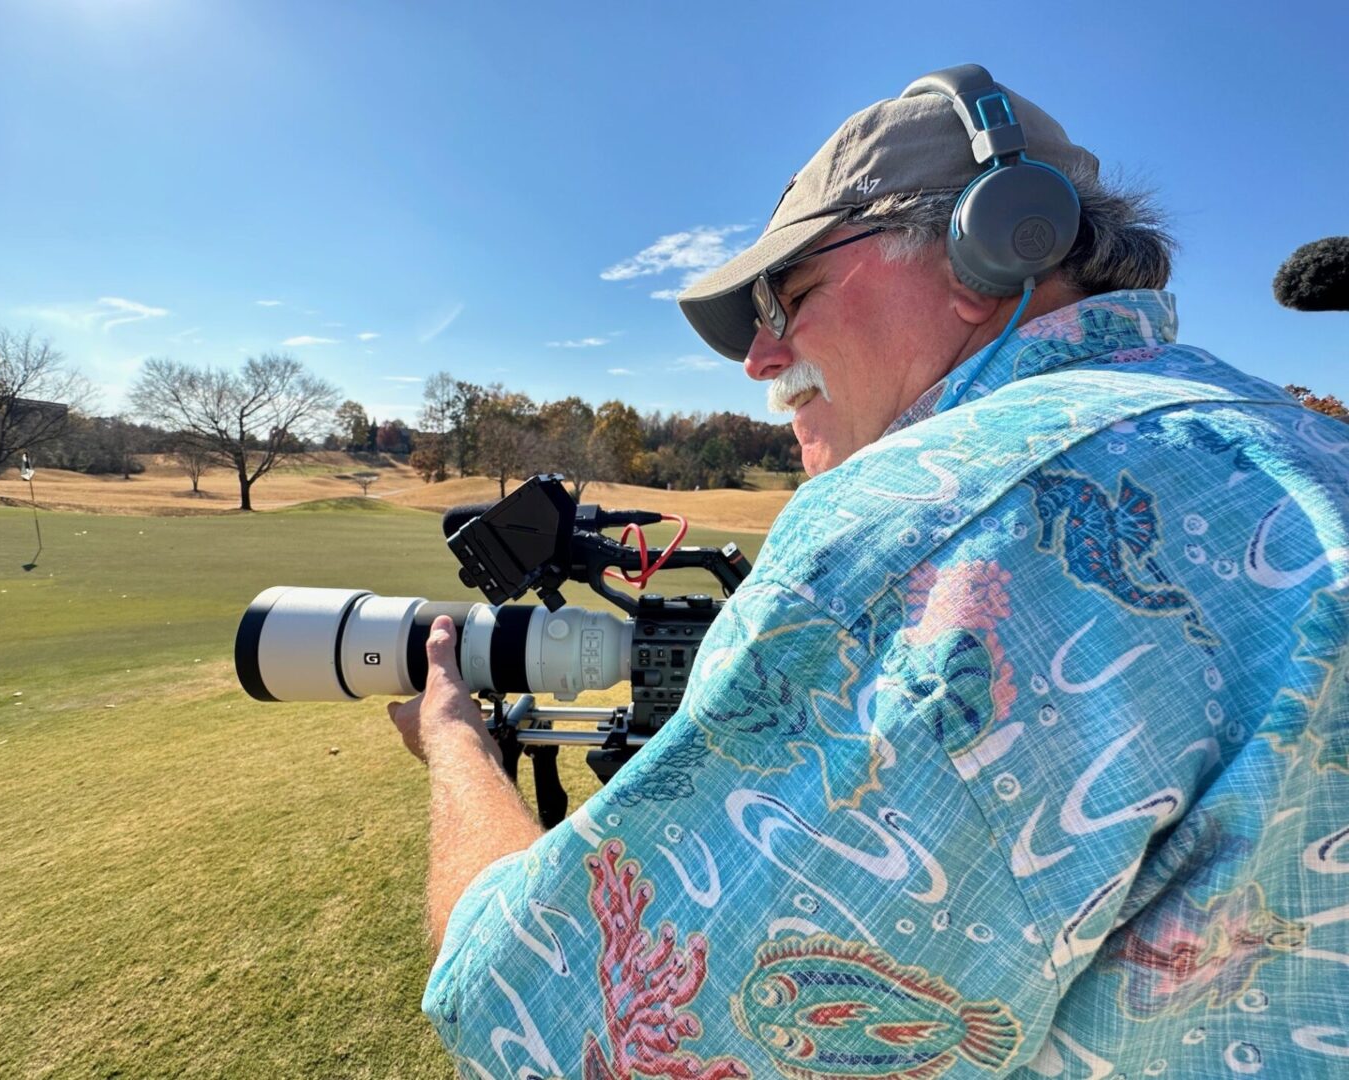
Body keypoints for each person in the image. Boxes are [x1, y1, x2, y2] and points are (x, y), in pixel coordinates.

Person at [390, 65, 1349, 1078]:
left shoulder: (928, 527)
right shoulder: (1306, 444)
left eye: (789, 296)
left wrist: (457, 746)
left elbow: (541, 1022)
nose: (762, 359)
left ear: (993, 246)